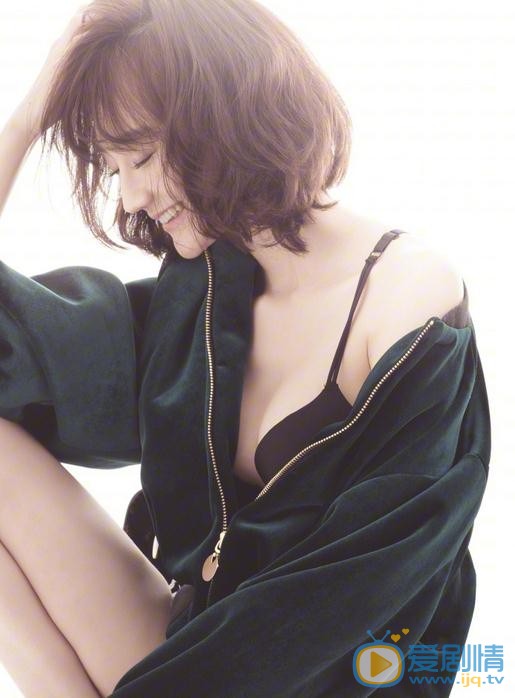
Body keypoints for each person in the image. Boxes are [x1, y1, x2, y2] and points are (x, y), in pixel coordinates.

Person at [0, 1, 490, 696]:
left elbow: (365, 588)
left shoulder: (406, 295)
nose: (131, 197)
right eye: (113, 171)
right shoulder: (198, 302)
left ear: (226, 112)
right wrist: (27, 119)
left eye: (141, 157)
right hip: (189, 644)